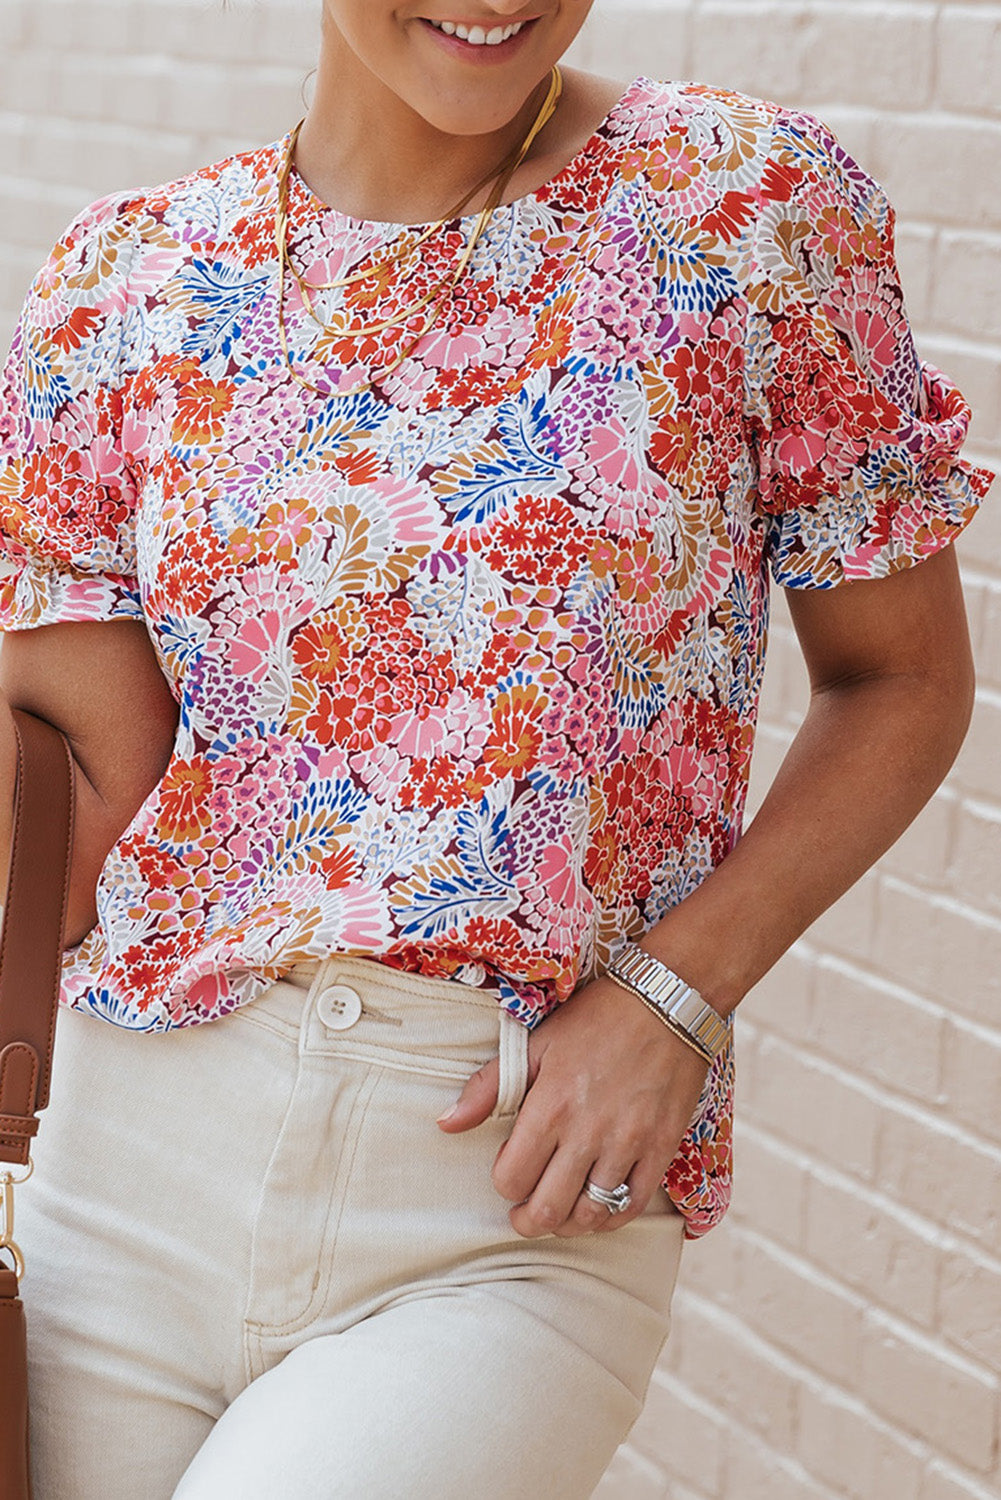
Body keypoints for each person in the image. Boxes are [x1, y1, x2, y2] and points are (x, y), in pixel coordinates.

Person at [0, 1, 992, 1496]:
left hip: (504, 1215)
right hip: (124, 1182)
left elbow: (899, 680)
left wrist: (673, 995)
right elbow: (87, 827)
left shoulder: (743, 205)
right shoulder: (119, 282)